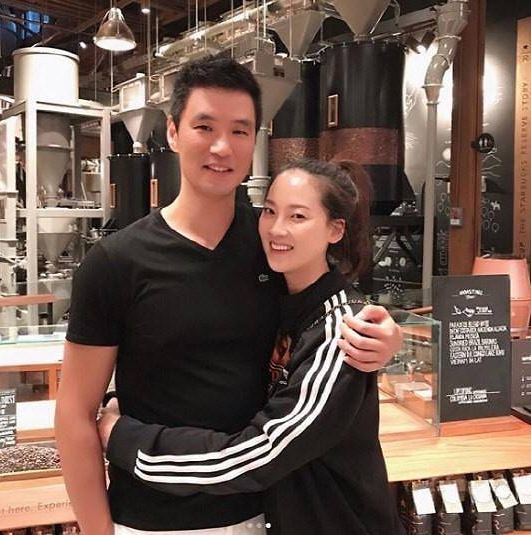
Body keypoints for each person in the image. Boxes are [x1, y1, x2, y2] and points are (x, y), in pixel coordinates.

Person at [55, 55, 402, 535]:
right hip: (150, 519)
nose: (222, 147)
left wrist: (384, 338)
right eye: (204, 127)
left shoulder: (272, 246)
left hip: (262, 513)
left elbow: (326, 308)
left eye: (240, 130)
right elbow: (75, 413)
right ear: (173, 132)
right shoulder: (116, 262)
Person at [98, 159, 405, 535]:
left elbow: (261, 454)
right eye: (270, 211)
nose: (277, 229)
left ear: (335, 229)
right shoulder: (280, 300)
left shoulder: (341, 333)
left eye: (298, 216)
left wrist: (125, 440)